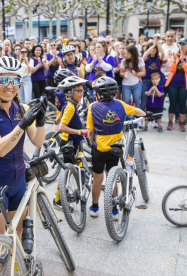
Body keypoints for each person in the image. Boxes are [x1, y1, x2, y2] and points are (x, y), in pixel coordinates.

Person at [0, 57, 46, 275]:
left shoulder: (22, 108)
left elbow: (37, 141)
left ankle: (19, 269)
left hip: (18, 184)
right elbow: (0, 148)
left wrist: (40, 121)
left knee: (17, 235)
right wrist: (22, 125)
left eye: (15, 81)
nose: (10, 86)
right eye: (4, 80)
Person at [86, 77, 146, 217]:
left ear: (98, 94)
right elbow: (135, 111)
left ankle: (95, 207)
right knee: (112, 177)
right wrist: (145, 114)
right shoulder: (120, 104)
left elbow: (90, 131)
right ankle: (114, 209)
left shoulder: (93, 107)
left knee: (97, 179)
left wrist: (91, 142)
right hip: (115, 148)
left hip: (99, 149)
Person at [53, 76, 89, 209]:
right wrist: (80, 132)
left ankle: (76, 186)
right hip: (69, 142)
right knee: (67, 171)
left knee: (71, 169)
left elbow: (58, 119)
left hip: (72, 141)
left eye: (82, 91)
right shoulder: (70, 107)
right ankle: (58, 200)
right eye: (78, 91)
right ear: (69, 92)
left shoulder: (70, 105)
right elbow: (61, 126)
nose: (82, 93)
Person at [165, 38, 187, 131]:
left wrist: (182, 61)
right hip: (173, 83)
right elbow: (172, 69)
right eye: (180, 44)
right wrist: (174, 60)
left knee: (183, 104)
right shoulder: (175, 55)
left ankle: (182, 123)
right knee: (172, 103)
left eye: (183, 44)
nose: (182, 46)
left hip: (184, 84)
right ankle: (170, 122)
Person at [141, 35, 165, 111]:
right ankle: (140, 118)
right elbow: (145, 54)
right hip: (146, 81)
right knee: (144, 101)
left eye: (155, 48)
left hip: (156, 82)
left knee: (156, 101)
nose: (153, 49)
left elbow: (163, 53)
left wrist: (156, 43)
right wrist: (153, 44)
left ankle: (154, 117)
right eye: (151, 48)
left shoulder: (158, 58)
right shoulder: (145, 58)